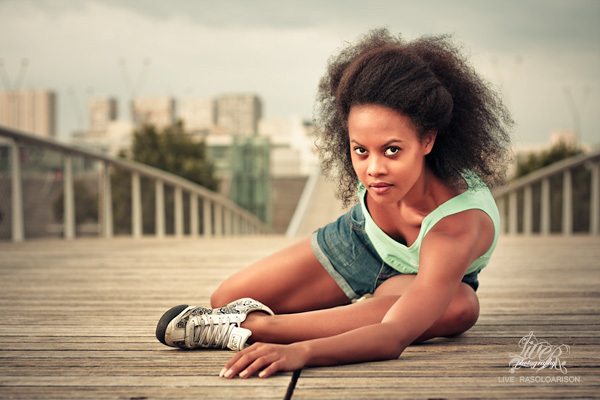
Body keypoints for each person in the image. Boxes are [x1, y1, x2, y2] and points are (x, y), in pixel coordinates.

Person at [155, 28, 512, 379]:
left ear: (428, 140)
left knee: (460, 307)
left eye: (392, 150)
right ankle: (352, 312)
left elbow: (393, 337)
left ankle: (263, 329)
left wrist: (302, 350)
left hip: (428, 279)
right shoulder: (380, 181)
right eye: (361, 150)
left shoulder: (457, 224)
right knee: (228, 299)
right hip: (363, 241)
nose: (373, 170)